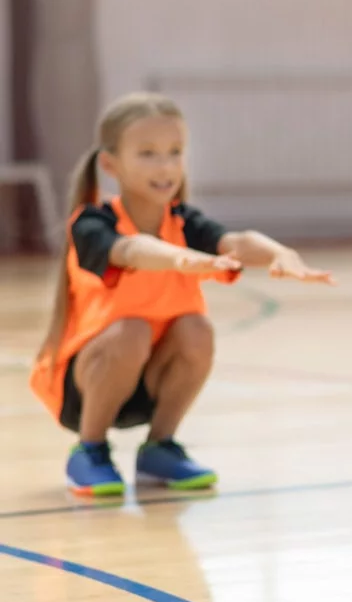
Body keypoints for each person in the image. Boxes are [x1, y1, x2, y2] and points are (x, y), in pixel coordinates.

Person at [30, 92, 334, 497]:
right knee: (131, 330)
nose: (166, 166)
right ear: (109, 163)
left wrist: (281, 253)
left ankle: (159, 448)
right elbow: (131, 249)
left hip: (149, 379)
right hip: (86, 384)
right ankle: (89, 451)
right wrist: (182, 259)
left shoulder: (183, 221)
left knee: (196, 329)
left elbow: (236, 241)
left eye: (175, 152)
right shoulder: (92, 223)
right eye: (148, 153)